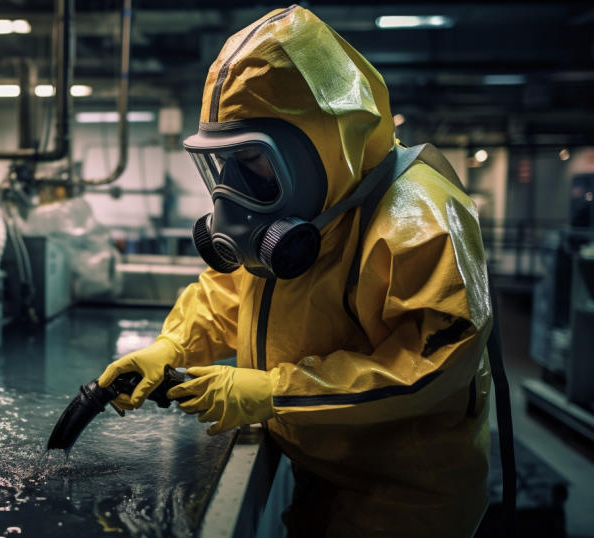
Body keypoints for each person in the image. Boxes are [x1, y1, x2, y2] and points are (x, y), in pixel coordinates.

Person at [97, 5, 493, 537]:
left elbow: (429, 366)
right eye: (221, 163)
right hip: (320, 468)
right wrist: (171, 346)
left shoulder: (418, 219)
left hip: (406, 496)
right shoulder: (314, 207)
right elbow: (230, 293)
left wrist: (274, 392)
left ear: (317, 146)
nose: (232, 187)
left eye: (250, 161)